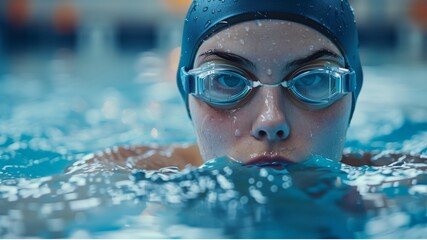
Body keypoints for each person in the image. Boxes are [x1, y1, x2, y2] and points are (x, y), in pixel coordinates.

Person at [65, 0, 416, 174]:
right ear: (187, 95)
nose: (271, 120)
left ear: (352, 93)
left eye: (313, 81)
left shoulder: (403, 182)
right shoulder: (121, 175)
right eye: (226, 80)